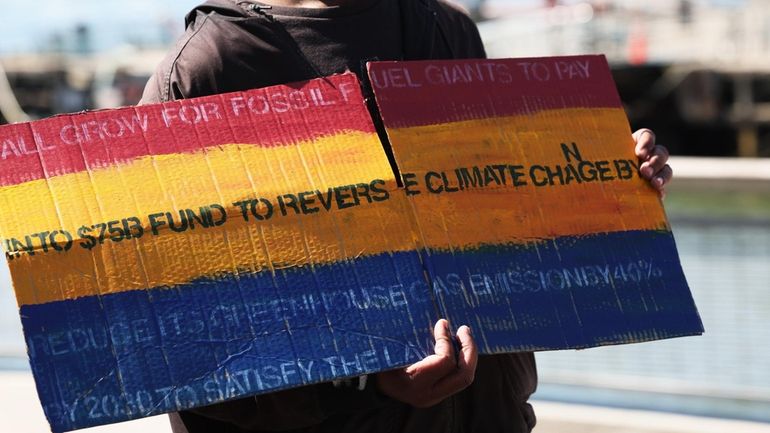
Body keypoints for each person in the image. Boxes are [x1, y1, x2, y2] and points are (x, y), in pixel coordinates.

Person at [140, 0, 672, 431]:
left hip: (486, 417)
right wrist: (365, 384)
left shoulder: (445, 30)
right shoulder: (206, 67)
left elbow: (497, 214)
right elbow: (171, 337)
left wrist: (607, 178)